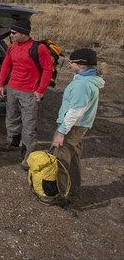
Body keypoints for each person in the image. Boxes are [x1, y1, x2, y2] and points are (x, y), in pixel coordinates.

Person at [0, 19, 53, 170]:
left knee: (29, 125)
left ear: (24, 33)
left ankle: (28, 156)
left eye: (14, 33)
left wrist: (40, 90)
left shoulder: (39, 48)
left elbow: (48, 70)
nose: (11, 35)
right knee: (12, 118)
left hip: (29, 92)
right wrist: (1, 84)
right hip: (12, 89)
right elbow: (6, 66)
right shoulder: (12, 47)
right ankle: (12, 143)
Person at [52, 48, 105, 204]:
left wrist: (61, 132)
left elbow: (75, 111)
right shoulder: (87, 79)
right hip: (80, 127)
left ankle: (61, 194)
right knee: (73, 156)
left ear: (82, 65)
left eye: (72, 62)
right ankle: (73, 187)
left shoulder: (82, 85)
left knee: (61, 157)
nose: (69, 64)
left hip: (72, 126)